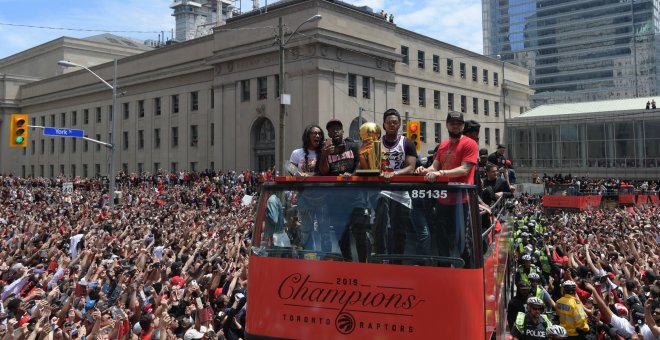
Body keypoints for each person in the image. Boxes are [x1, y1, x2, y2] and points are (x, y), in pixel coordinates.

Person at [414, 111, 478, 258]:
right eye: (452, 123)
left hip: (462, 200)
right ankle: (444, 268)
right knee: (441, 238)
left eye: (458, 124)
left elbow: (465, 169)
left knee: (463, 240)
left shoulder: (470, 144)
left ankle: (466, 274)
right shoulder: (443, 145)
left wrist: (441, 173)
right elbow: (433, 167)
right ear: (447, 125)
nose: (455, 126)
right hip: (443, 199)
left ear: (463, 126)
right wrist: (423, 170)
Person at [372, 109, 417, 256]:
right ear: (384, 125)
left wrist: (394, 173)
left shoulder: (407, 143)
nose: (392, 125)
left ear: (399, 125)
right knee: (380, 220)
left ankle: (397, 260)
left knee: (399, 231)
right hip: (382, 190)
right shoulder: (377, 144)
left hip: (401, 191)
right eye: (389, 122)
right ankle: (381, 255)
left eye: (395, 122)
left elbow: (411, 168)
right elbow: (373, 167)